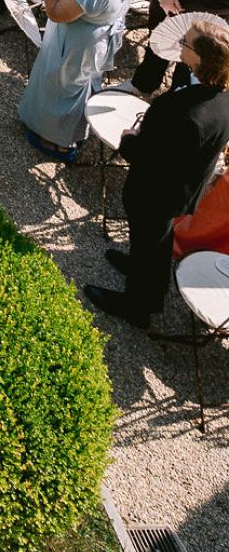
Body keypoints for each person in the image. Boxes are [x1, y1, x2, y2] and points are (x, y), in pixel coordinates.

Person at [90, 17, 229, 327]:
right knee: (157, 238)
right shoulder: (222, 97)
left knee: (150, 236)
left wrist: (128, 141)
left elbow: (152, 159)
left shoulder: (189, 116)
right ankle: (146, 275)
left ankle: (137, 306)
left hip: (158, 191)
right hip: (183, 188)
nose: (180, 44)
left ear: (202, 57)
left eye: (186, 43)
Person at [18, 0, 141, 163]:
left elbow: (55, 12)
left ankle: (59, 140)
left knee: (61, 88)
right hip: (91, 41)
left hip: (75, 45)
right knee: (75, 86)